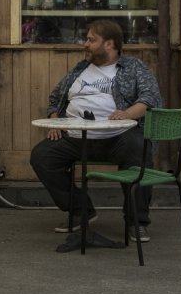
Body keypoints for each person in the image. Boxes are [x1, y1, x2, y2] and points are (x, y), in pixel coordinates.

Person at [29, 19, 162, 242]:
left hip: (117, 138)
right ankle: (81, 211)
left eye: (91, 40)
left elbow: (150, 99)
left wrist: (127, 113)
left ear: (109, 44)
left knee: (139, 148)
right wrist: (55, 122)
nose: (86, 44)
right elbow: (55, 99)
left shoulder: (133, 68)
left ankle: (136, 221)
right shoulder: (80, 69)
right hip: (76, 137)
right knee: (42, 156)